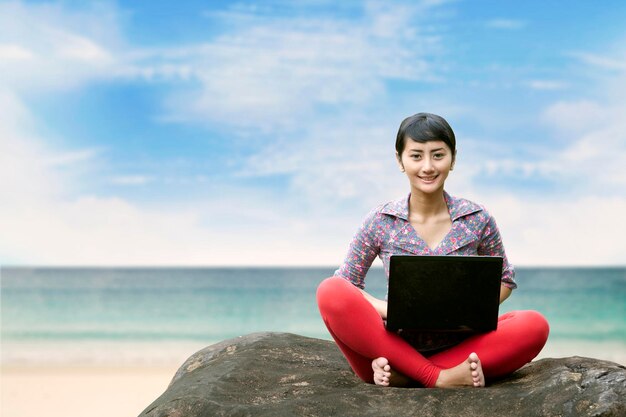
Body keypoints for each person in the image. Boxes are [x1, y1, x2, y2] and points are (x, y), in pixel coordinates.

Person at [316, 112, 549, 388]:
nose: (427, 166)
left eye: (438, 155)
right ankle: (436, 377)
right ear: (400, 160)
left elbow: (506, 280)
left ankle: (411, 376)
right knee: (329, 290)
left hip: (462, 347)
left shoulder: (477, 218)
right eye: (416, 156)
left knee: (534, 324)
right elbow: (346, 286)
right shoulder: (380, 220)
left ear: (453, 158)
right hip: (393, 347)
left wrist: (464, 309)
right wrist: (385, 308)